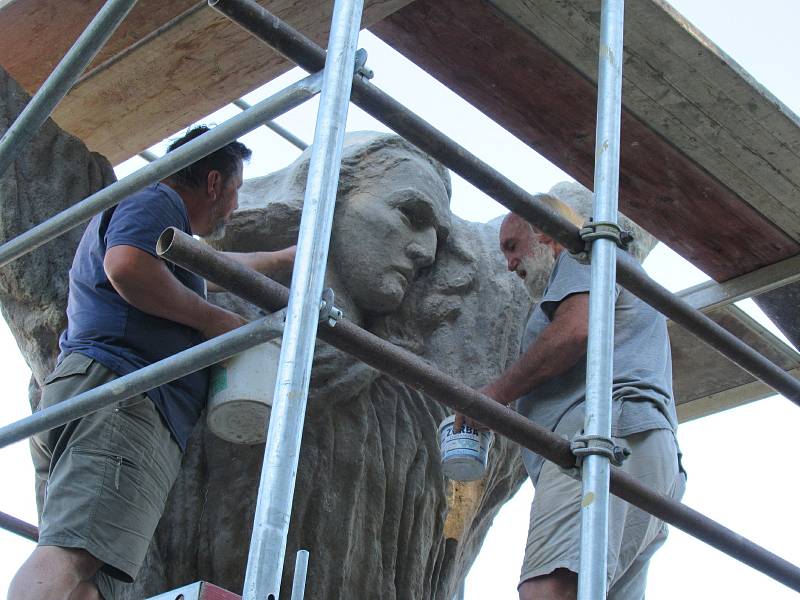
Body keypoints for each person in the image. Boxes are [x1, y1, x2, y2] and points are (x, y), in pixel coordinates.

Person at [8, 126, 295, 600]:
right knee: (71, 555)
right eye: (237, 190)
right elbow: (126, 266)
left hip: (100, 394)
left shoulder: (168, 234)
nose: (236, 206)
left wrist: (286, 258)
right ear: (213, 183)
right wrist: (213, 322)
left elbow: (227, 267)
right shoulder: (157, 199)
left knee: (90, 577)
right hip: (125, 396)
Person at [459, 195, 685, 600]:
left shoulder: (584, 257)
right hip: (644, 453)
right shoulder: (611, 270)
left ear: (547, 233)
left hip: (601, 439)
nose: (509, 265)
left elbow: (575, 331)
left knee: (549, 590)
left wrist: (493, 396)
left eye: (512, 246)